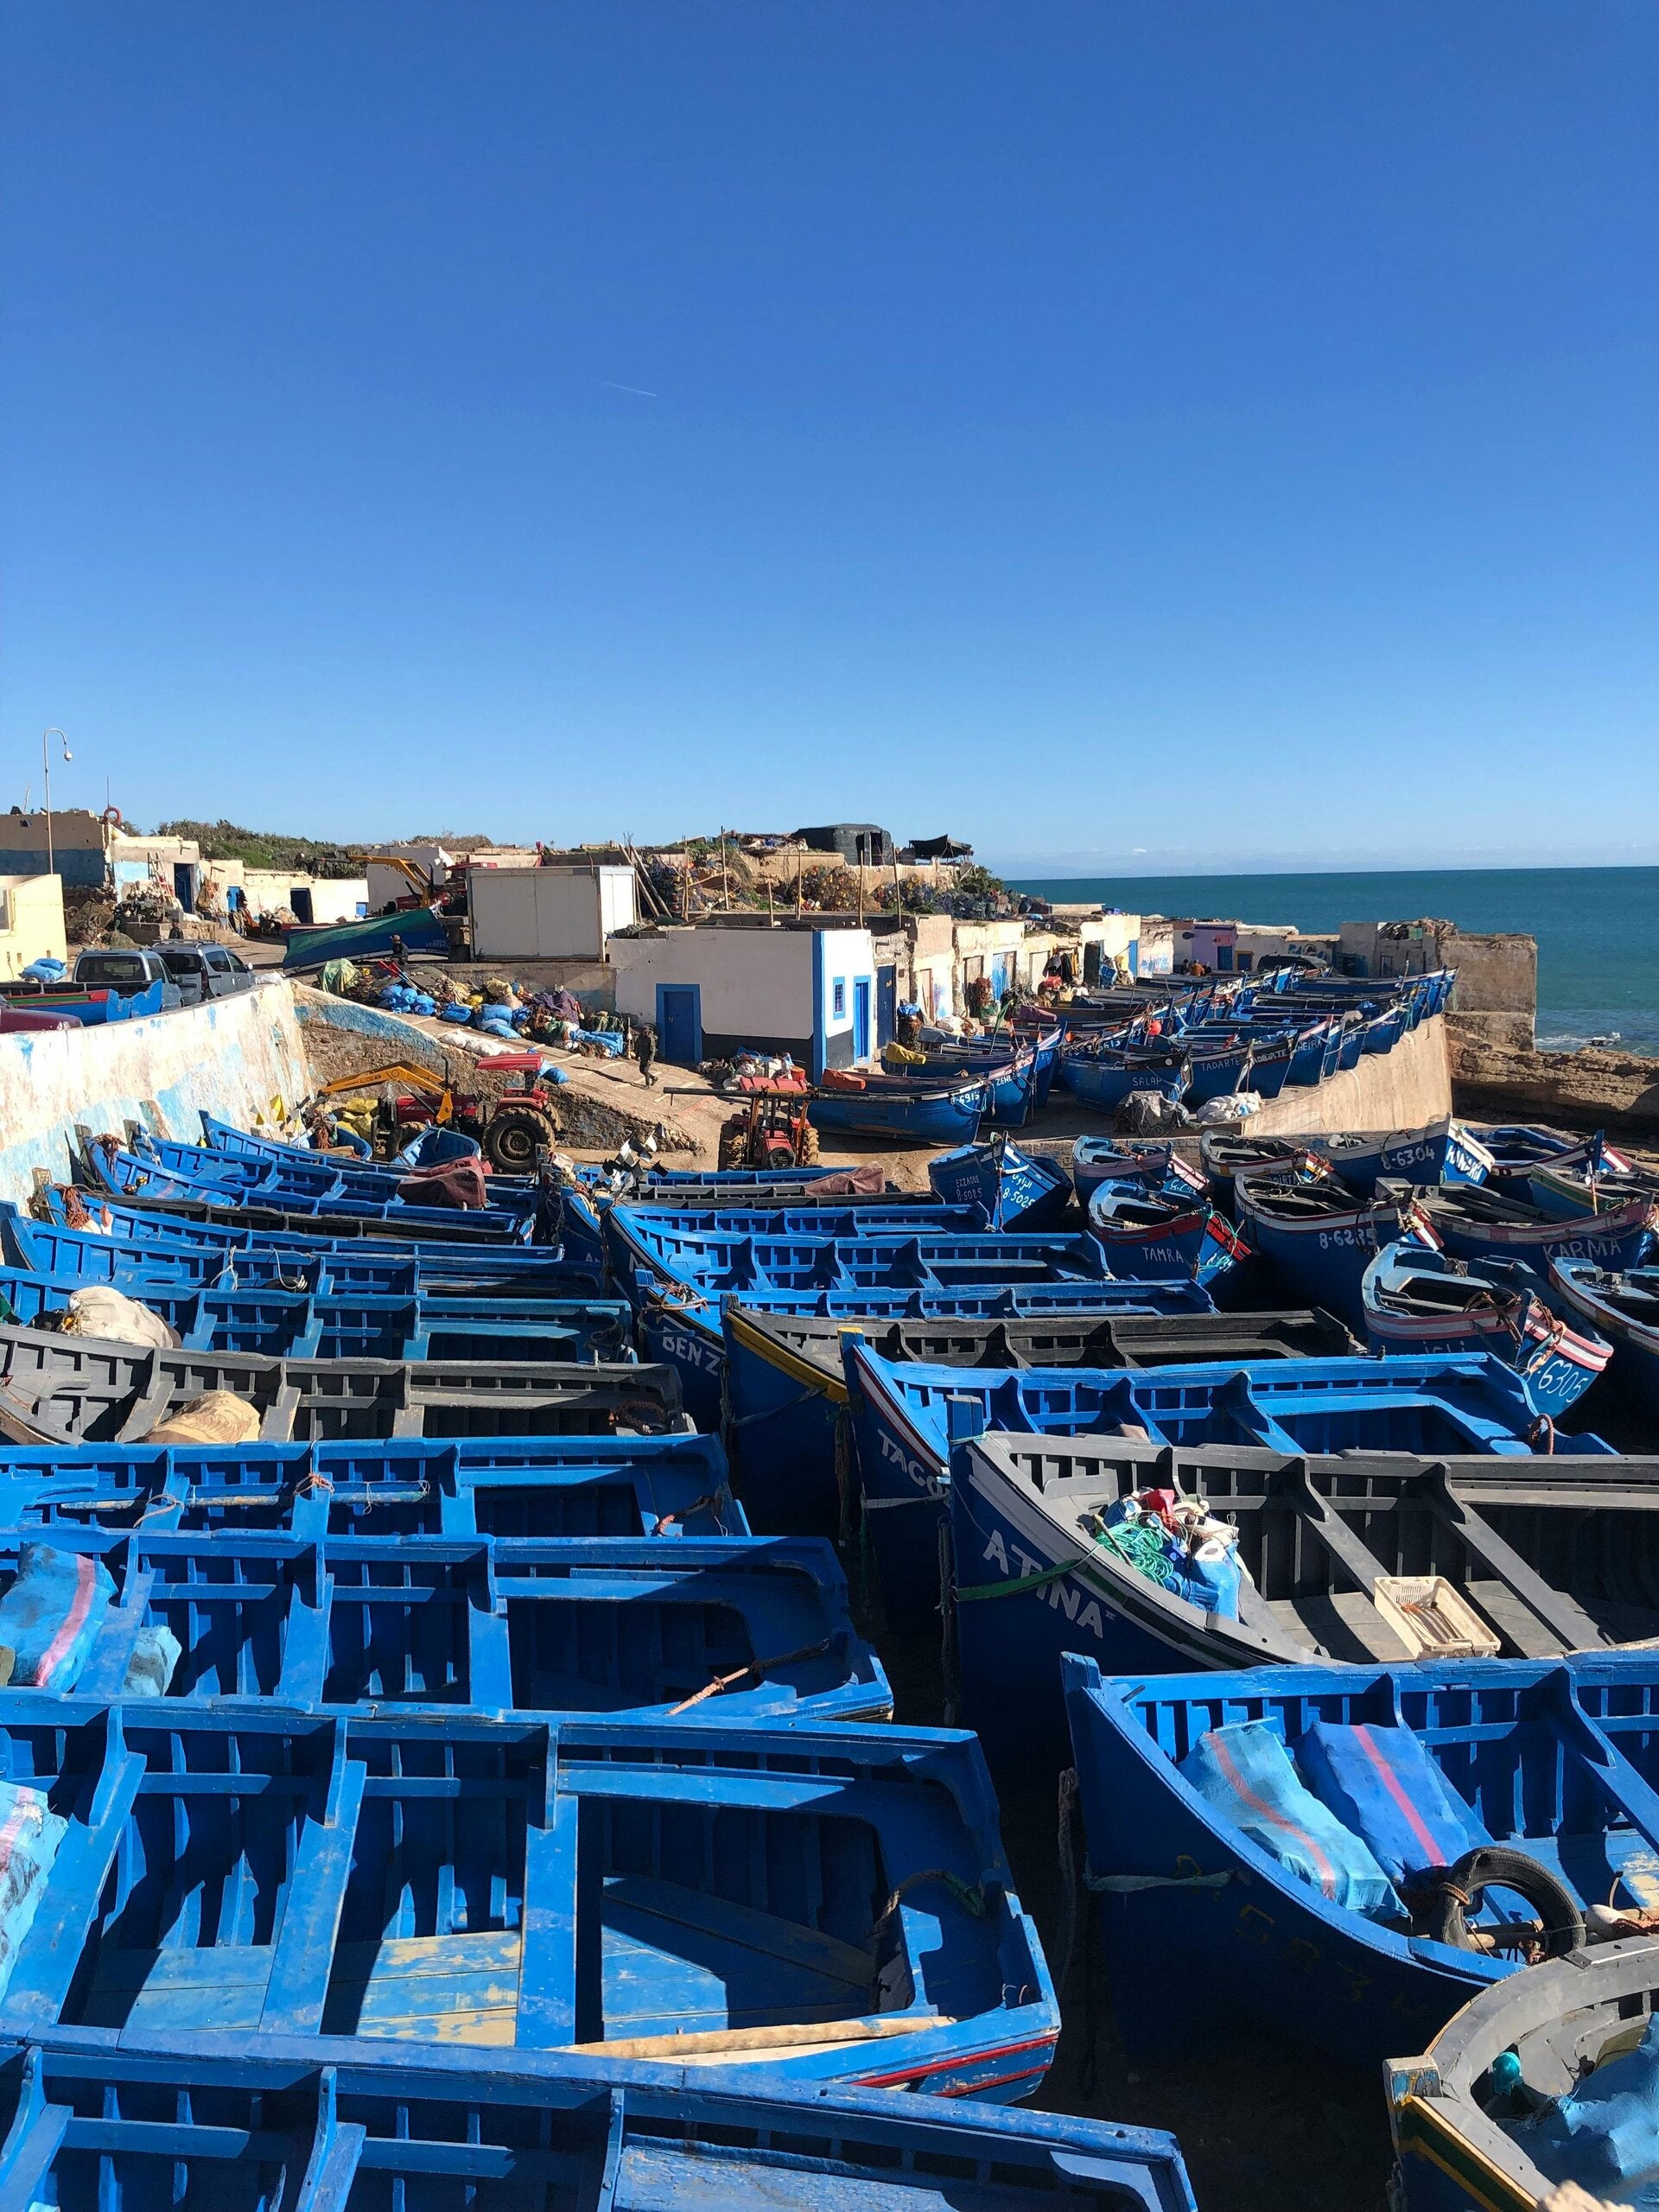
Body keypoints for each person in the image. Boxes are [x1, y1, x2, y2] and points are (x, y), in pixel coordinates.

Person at [635, 1023, 658, 1088]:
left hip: (648, 1058)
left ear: (647, 1031)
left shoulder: (650, 1039)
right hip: (643, 1056)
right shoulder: (641, 1037)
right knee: (641, 1070)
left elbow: (652, 1051)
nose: (643, 1033)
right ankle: (654, 1078)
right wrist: (637, 1055)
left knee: (645, 1070)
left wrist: (650, 1060)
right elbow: (639, 1046)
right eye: (642, 1032)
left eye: (645, 1032)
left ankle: (647, 1085)